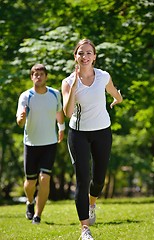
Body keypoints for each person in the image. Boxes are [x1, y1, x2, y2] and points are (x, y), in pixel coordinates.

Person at [61, 39, 123, 240]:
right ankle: (85, 229)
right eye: (81, 53)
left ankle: (92, 203)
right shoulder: (68, 82)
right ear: (75, 57)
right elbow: (68, 112)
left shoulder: (103, 76)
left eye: (88, 53)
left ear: (94, 57)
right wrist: (75, 87)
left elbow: (114, 92)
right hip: (78, 134)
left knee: (98, 179)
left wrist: (117, 99)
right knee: (82, 180)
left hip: (102, 132)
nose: (85, 57)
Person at [16, 63, 65, 224]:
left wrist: (61, 128)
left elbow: (59, 112)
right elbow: (19, 122)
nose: (38, 76)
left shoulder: (55, 94)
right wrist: (22, 118)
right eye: (35, 74)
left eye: (41, 74)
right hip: (31, 144)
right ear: (31, 77)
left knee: (44, 179)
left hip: (49, 143)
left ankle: (37, 215)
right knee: (30, 182)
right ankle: (30, 202)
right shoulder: (26, 96)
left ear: (46, 76)